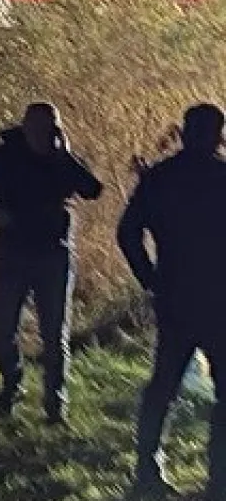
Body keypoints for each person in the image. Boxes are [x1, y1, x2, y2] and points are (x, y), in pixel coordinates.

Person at [0, 101, 104, 423]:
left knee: (54, 333)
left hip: (53, 251)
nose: (43, 133)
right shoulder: (5, 155)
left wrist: (64, 155)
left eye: (50, 127)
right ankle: (11, 385)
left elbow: (92, 189)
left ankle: (55, 402)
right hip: (13, 250)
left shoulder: (62, 158)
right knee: (4, 329)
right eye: (38, 126)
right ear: (25, 126)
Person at [118, 103, 226, 499]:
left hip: (175, 296)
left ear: (184, 131)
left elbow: (127, 232)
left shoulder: (160, 178)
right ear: (219, 135)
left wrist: (150, 279)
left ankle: (148, 471)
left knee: (163, 386)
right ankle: (220, 479)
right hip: (220, 300)